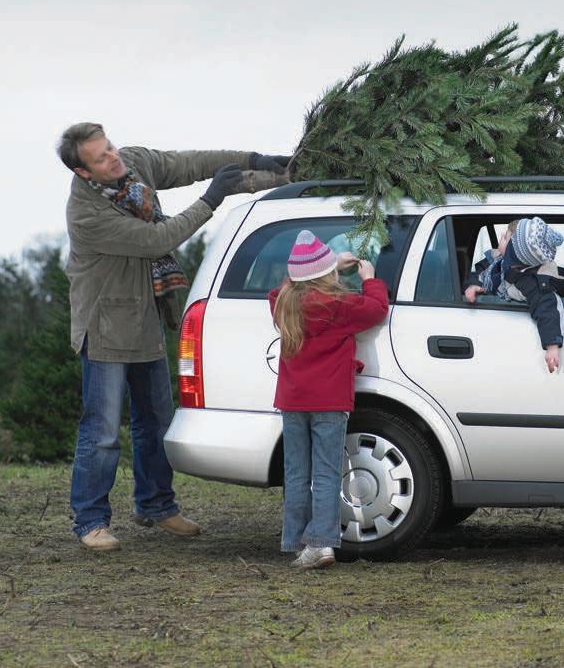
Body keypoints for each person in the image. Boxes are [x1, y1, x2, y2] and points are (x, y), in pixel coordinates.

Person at [60, 121, 290, 551]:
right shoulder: (87, 214)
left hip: (145, 318)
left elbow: (190, 163)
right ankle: (90, 520)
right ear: (83, 172)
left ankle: (157, 505)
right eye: (101, 157)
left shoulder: (134, 164)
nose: (114, 157)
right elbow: (157, 240)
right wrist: (211, 200)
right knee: (102, 431)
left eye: (110, 147)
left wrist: (254, 161)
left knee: (156, 422)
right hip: (105, 328)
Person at [268, 231, 389, 569]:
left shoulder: (284, 304)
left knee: (296, 473)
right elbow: (377, 309)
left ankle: (297, 541)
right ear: (328, 274)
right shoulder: (339, 307)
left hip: (293, 402)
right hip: (331, 401)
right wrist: (369, 278)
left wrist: (326, 266)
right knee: (326, 473)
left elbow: (280, 289)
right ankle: (321, 544)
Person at [463, 217, 564, 373]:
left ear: (514, 252)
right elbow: (479, 274)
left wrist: (552, 345)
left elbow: (548, 307)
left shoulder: (530, 283)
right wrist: (473, 285)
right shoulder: (496, 261)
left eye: (505, 237)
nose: (501, 237)